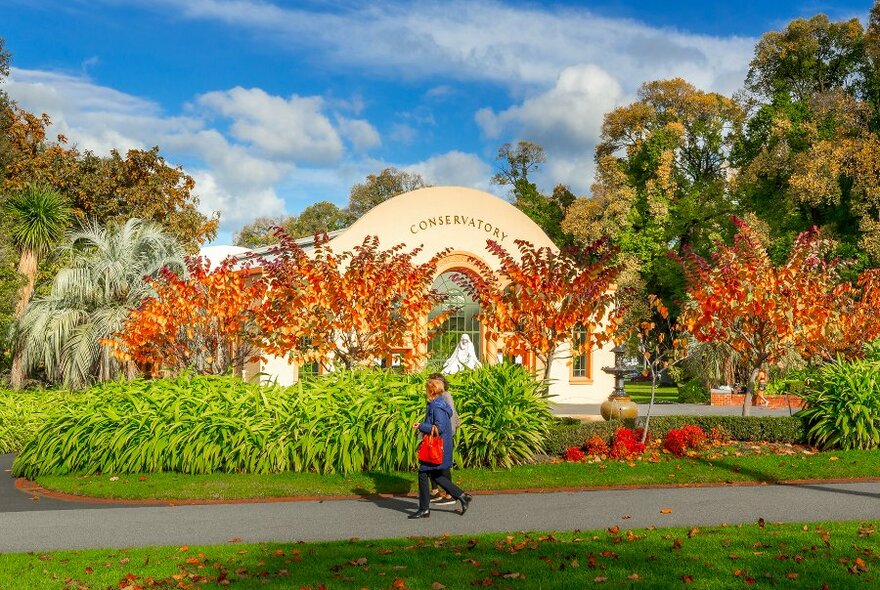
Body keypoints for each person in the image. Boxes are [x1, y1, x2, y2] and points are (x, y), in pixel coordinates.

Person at [409, 377, 472, 519]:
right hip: (443, 446)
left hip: (436, 447)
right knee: (436, 475)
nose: (426, 392)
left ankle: (424, 509)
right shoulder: (442, 404)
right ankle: (461, 496)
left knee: (423, 474)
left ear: (431, 391)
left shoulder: (435, 406)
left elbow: (440, 427)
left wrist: (421, 426)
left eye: (427, 389)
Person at [427, 373, 459, 507]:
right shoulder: (434, 397)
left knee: (443, 465)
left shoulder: (446, 396)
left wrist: (447, 435)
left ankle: (450, 494)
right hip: (434, 435)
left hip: (442, 436)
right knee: (430, 462)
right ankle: (435, 491)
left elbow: (450, 416)